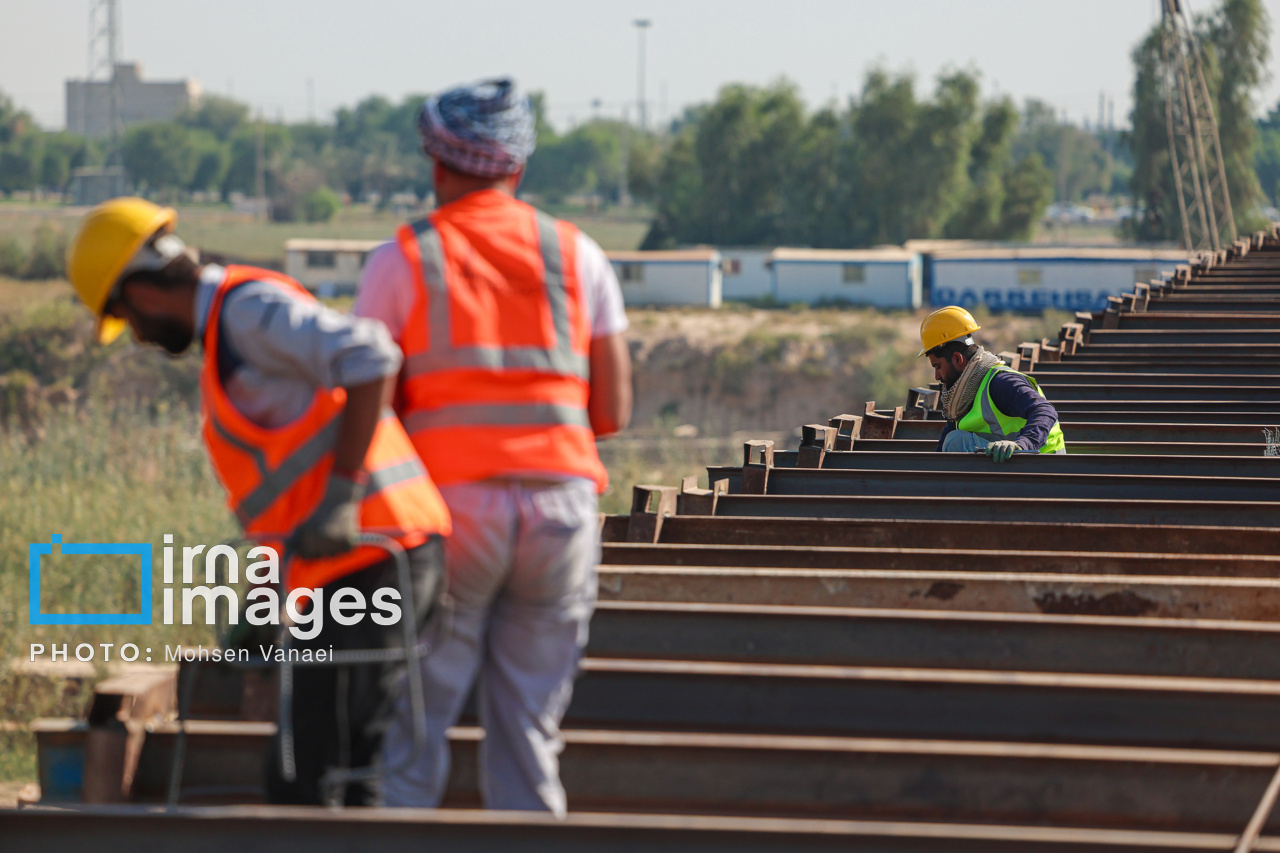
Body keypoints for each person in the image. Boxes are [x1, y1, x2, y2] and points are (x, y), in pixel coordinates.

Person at [64, 198, 452, 805]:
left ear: (139, 294)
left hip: (379, 554)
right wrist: (263, 601)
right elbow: (286, 504)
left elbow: (373, 356)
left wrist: (344, 497)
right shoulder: (228, 339)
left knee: (329, 773)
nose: (137, 337)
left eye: (125, 320)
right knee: (318, 771)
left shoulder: (246, 312)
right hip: (345, 569)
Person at [352, 77, 632, 815]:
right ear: (519, 165)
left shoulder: (403, 260)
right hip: (561, 510)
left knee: (414, 733)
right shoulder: (580, 256)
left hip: (448, 515)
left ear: (437, 163)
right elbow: (612, 410)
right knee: (530, 732)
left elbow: (366, 411)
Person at [919, 305, 1066, 459]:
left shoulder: (1000, 382)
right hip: (1018, 463)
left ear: (957, 359)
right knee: (953, 438)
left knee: (956, 442)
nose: (936, 376)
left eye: (938, 367)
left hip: (1043, 463)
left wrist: (1022, 445)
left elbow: (1045, 410)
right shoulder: (962, 398)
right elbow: (941, 453)